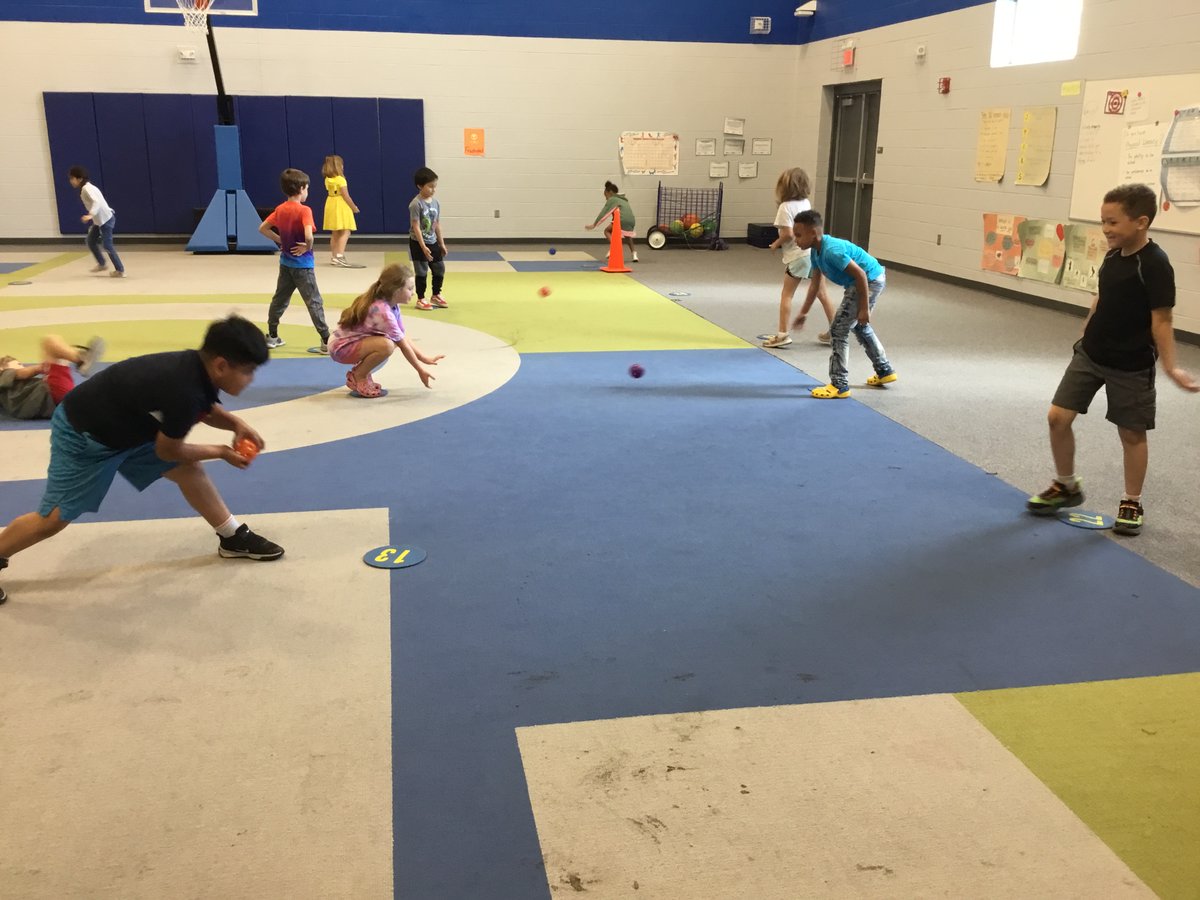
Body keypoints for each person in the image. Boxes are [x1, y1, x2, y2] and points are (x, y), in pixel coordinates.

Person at [0, 316, 283, 606]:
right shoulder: (184, 389)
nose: (252, 379)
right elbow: (168, 451)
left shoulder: (194, 368)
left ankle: (231, 537)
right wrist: (222, 451)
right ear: (221, 365)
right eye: (248, 371)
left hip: (126, 426)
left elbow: (203, 408)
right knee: (53, 518)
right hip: (84, 435)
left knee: (188, 470)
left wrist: (236, 424)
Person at [1026, 183, 1199, 535]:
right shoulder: (1112, 254)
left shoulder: (1155, 264)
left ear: (1141, 222)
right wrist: (1087, 326)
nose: (1105, 229)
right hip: (1091, 353)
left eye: (1113, 222)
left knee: (1131, 434)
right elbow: (1102, 294)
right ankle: (1066, 486)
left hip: (1132, 364)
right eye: (1103, 221)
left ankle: (1131, 501)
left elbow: (1162, 320)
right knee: (1057, 418)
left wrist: (1171, 367)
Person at [791, 210, 897, 399]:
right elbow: (815, 285)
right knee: (859, 327)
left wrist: (864, 309)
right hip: (866, 280)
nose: (795, 240)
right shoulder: (816, 251)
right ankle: (884, 370)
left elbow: (861, 275)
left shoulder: (832, 251)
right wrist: (803, 312)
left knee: (838, 330)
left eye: (798, 235)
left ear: (813, 233)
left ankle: (839, 384)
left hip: (868, 280)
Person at [328, 264, 444, 398]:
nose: (413, 293)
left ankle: (362, 371)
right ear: (396, 291)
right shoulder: (383, 312)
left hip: (347, 343)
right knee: (386, 346)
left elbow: (402, 336)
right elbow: (403, 345)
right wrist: (420, 370)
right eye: (410, 288)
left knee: (391, 342)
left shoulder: (392, 305)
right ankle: (359, 375)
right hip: (341, 349)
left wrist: (424, 358)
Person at [259, 168, 332, 353]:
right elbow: (308, 235)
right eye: (307, 189)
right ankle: (326, 340)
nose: (307, 192)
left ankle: (272, 336)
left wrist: (281, 241)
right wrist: (307, 246)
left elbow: (263, 228)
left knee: (279, 299)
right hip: (303, 266)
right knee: (314, 301)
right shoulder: (305, 210)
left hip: (286, 264)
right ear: (301, 188)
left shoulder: (280, 209)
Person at [762, 168, 834, 348]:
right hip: (813, 253)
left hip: (797, 255)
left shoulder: (785, 207)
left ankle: (782, 334)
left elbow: (788, 233)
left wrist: (776, 243)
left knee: (787, 294)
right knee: (822, 294)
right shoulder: (805, 203)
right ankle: (836, 332)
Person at [0, 335, 105, 420]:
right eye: (17, 364)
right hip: (51, 393)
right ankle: (81, 360)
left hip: (51, 403)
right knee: (49, 341)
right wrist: (42, 367)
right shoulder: (4, 374)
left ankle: (80, 359)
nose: (21, 366)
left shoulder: (9, 391)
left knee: (59, 352)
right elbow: (24, 373)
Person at [68, 166, 125, 278]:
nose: (71, 181)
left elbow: (97, 202)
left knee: (107, 245)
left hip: (105, 220)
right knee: (90, 240)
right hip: (99, 221)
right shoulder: (86, 188)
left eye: (72, 178)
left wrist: (90, 215)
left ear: (79, 179)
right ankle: (102, 264)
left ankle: (120, 270)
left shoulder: (87, 188)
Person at [409, 167, 449, 310]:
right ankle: (421, 298)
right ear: (420, 186)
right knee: (422, 271)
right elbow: (415, 226)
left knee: (439, 268)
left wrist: (441, 243)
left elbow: (436, 224)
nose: (433, 190)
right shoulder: (416, 204)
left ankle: (436, 294)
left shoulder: (435, 203)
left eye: (435, 186)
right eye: (430, 186)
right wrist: (423, 246)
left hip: (432, 241)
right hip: (418, 242)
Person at [322, 154, 363, 268]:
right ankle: (340, 256)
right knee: (346, 231)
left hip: (330, 202)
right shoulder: (341, 180)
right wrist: (354, 207)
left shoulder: (327, 179)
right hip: (340, 204)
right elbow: (346, 196)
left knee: (335, 232)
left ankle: (334, 256)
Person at [585, 180, 638, 263]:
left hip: (622, 220)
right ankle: (634, 254)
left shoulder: (612, 199)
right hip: (631, 220)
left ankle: (614, 247)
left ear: (610, 192)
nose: (606, 198)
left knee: (607, 231)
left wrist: (594, 224)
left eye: (606, 195)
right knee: (628, 236)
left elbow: (604, 213)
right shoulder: (623, 200)